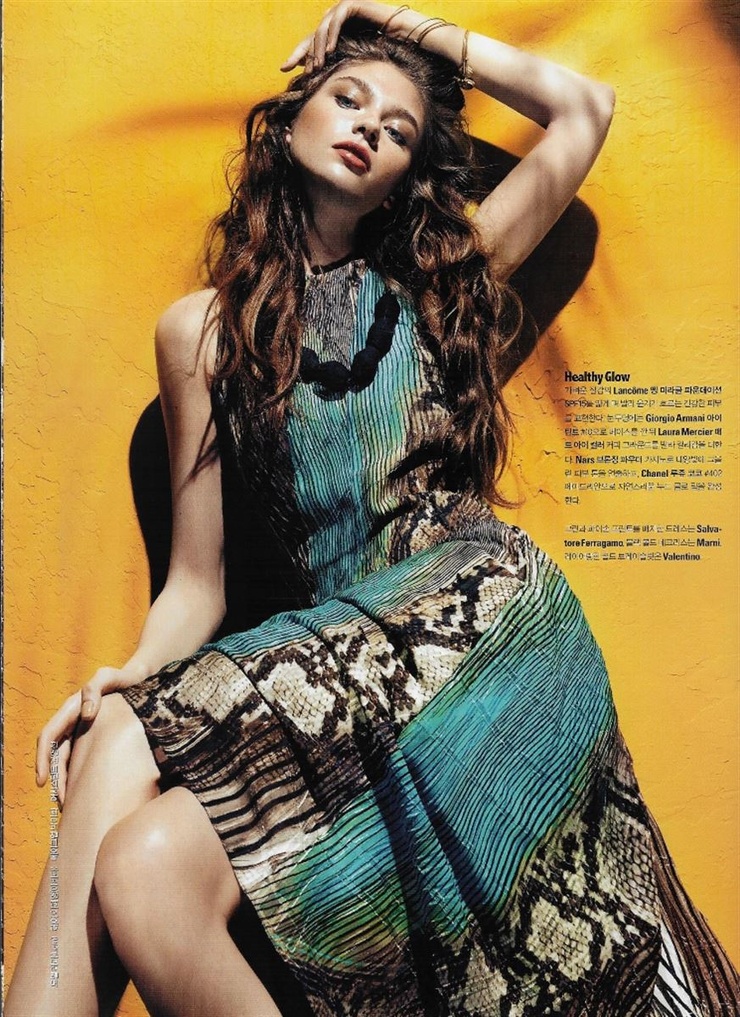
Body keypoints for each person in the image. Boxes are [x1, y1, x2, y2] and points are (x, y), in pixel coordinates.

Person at [5, 3, 737, 1015]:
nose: (367, 128)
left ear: (404, 177)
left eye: (397, 130)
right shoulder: (199, 336)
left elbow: (583, 108)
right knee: (145, 860)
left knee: (133, 735)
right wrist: (124, 674)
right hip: (344, 686)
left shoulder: (438, 287)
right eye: (347, 98)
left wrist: (393, 23)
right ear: (290, 119)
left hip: (478, 620)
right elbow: (197, 584)